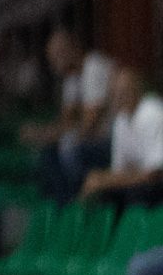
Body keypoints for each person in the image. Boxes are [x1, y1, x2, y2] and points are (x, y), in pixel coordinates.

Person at [28, 25, 119, 200]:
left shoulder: (94, 67)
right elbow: (65, 122)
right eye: (52, 57)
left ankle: (87, 202)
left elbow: (89, 125)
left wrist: (53, 135)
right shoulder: (71, 78)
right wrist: (44, 134)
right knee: (48, 151)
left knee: (70, 149)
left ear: (74, 48)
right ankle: (63, 209)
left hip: (113, 140)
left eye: (59, 54)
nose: (54, 62)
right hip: (93, 139)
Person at [79, 66, 163, 200]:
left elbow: (155, 174)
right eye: (113, 93)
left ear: (136, 90)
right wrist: (101, 180)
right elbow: (120, 169)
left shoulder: (153, 114)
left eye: (123, 92)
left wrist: (104, 180)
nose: (117, 97)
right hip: (155, 182)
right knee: (103, 191)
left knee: (135, 192)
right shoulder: (122, 119)